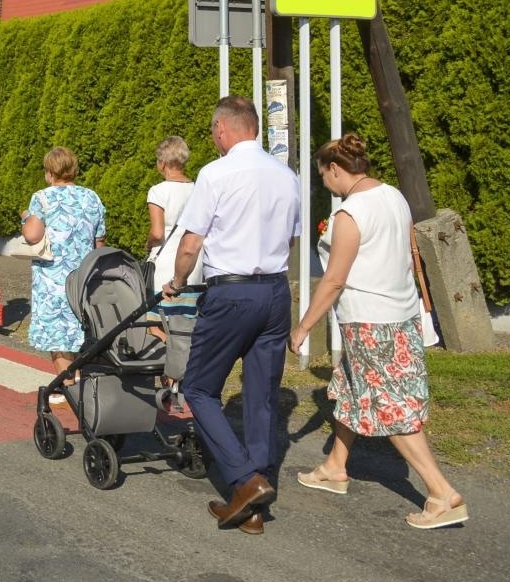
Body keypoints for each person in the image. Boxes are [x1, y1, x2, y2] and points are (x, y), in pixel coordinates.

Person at [288, 134, 468, 530]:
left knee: (389, 407)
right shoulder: (393, 197)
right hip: (401, 315)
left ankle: (441, 493)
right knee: (353, 388)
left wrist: (303, 327)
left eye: (324, 177)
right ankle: (336, 467)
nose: (325, 186)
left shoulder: (350, 215)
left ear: (335, 169)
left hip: (368, 320)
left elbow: (334, 280)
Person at [163, 96, 302, 536]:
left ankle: (245, 482)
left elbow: (191, 243)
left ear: (222, 129)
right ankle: (256, 505)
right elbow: (291, 240)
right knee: (261, 396)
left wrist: (179, 281)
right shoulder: (286, 176)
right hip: (276, 292)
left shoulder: (216, 173)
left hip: (231, 294)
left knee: (200, 388)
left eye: (213, 132)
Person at [21, 146, 107, 380]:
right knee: (80, 329)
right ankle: (78, 380)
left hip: (53, 277)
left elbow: (32, 235)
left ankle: (68, 385)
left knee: (57, 333)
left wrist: (26, 217)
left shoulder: (42, 198)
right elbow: (99, 240)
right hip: (85, 275)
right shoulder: (92, 197)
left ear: (50, 172)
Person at [146, 136, 201, 294]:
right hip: (193, 263)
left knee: (163, 315)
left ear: (162, 163)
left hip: (166, 263)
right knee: (189, 315)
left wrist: (148, 244)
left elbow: (157, 233)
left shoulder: (158, 191)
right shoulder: (197, 188)